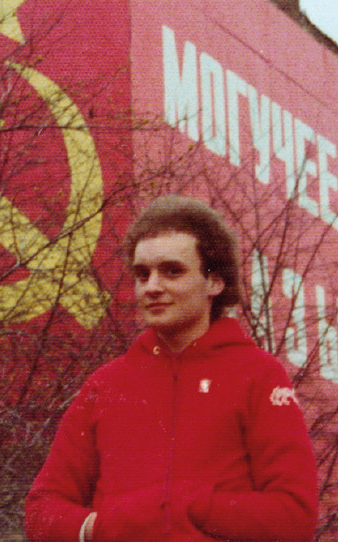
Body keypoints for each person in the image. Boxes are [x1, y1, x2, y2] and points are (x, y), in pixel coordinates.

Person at [25, 195, 319, 542]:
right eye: (141, 274)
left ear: (215, 282)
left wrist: (188, 506)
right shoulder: (105, 384)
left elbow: (295, 515)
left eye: (172, 271)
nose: (152, 287)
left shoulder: (259, 375)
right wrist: (102, 527)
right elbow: (41, 509)